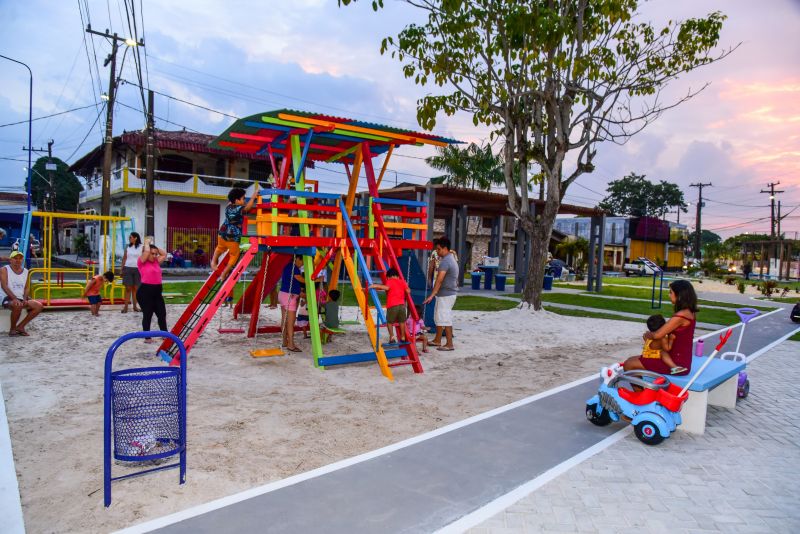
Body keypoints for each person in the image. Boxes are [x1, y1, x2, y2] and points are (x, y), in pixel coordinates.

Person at [624, 280, 697, 375]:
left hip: (676, 364)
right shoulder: (690, 312)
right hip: (677, 359)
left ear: (679, 295)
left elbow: (657, 335)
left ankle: (641, 390)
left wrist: (647, 334)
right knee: (631, 360)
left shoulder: (681, 315)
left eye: (671, 292)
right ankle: (644, 390)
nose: (669, 295)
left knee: (629, 364)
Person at [211, 185, 258, 280]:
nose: (244, 201)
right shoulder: (239, 208)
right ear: (236, 200)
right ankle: (224, 273)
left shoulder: (228, 207)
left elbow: (231, 201)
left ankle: (213, 262)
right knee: (234, 255)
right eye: (243, 198)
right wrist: (253, 198)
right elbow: (247, 209)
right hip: (232, 236)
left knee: (219, 248)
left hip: (222, 233)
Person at [424, 236, 459, 351]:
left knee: (445, 318)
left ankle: (449, 344)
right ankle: (437, 340)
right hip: (446, 294)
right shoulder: (450, 259)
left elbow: (439, 280)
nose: (437, 251)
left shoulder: (446, 261)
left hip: (446, 295)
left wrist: (432, 295)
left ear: (445, 249)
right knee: (439, 317)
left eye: (438, 249)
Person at [0, 251, 43, 336]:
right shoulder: (4, 269)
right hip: (6, 297)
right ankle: (12, 329)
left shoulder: (26, 271)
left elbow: (27, 287)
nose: (18, 260)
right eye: (15, 258)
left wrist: (25, 298)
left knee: (39, 306)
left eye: (20, 258)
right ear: (10, 260)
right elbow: (4, 286)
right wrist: (14, 298)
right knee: (17, 304)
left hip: (20, 297)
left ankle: (20, 326)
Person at [137, 238, 168, 343]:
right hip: (145, 292)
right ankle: (147, 337)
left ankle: (164, 334)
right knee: (148, 314)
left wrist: (154, 247)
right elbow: (146, 251)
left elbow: (164, 254)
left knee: (162, 313)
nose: (155, 256)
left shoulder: (156, 262)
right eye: (152, 254)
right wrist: (147, 243)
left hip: (157, 292)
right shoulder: (141, 262)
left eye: (155, 254)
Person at [371, 268, 411, 344]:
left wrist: (375, 285)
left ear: (389, 276)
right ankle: (403, 337)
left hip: (392, 305)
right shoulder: (402, 282)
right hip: (402, 306)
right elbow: (408, 291)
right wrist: (406, 286)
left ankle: (392, 337)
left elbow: (386, 288)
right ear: (397, 275)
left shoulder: (390, 281)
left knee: (389, 322)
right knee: (402, 321)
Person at [278, 255, 305, 352]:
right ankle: (291, 344)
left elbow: (293, 281)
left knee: (284, 320)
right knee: (290, 323)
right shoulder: (294, 268)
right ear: (297, 259)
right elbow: (300, 279)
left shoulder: (288, 266)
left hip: (282, 294)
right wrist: (314, 280)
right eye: (302, 262)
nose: (302, 264)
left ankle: (285, 341)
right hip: (290, 297)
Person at [120, 232, 143, 313]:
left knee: (136, 289)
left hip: (138, 269)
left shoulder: (141, 247)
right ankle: (125, 307)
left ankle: (135, 307)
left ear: (135, 238)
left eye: (130, 237)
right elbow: (124, 258)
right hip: (127, 268)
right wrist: (121, 269)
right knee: (128, 288)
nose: (129, 239)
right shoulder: (127, 247)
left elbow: (144, 257)